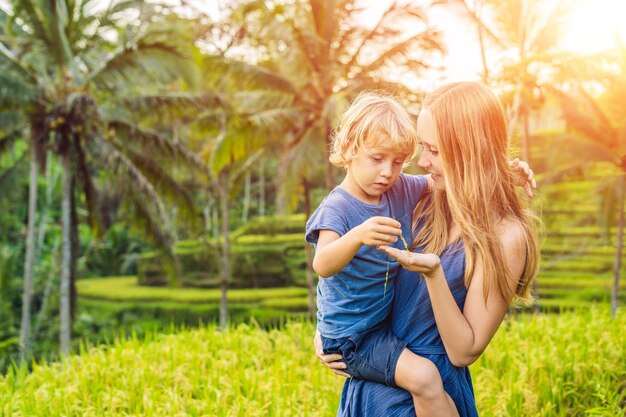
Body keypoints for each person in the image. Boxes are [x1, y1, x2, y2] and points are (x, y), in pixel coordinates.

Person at [314, 81, 540, 417]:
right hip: (372, 386)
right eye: (423, 147)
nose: (421, 161)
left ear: (469, 150)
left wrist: (434, 274)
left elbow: (464, 351)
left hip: (429, 395)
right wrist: (328, 332)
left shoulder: (506, 236)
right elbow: (353, 273)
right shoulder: (424, 204)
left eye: (433, 150)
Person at [305, 92, 460, 417]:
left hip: (381, 323)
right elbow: (322, 263)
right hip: (353, 337)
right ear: (348, 150)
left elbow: (450, 182)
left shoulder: (398, 188)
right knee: (426, 378)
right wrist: (358, 236)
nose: (388, 172)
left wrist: (504, 172)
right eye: (377, 159)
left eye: (398, 161)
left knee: (434, 382)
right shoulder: (339, 207)